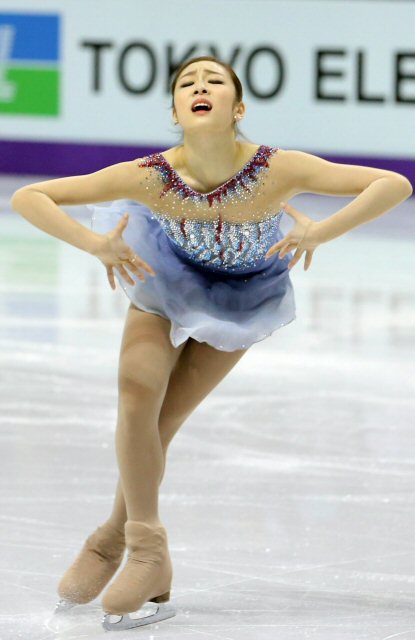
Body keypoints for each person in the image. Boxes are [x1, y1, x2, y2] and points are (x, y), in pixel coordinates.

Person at [10, 55, 412, 631]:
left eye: (214, 81)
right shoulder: (149, 175)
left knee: (163, 421)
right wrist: (94, 243)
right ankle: (145, 547)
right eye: (186, 84)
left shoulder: (279, 169)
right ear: (176, 110)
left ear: (237, 108)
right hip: (164, 279)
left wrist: (321, 230)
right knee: (134, 393)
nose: (199, 87)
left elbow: (393, 183)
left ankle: (112, 538)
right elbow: (32, 198)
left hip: (241, 298)